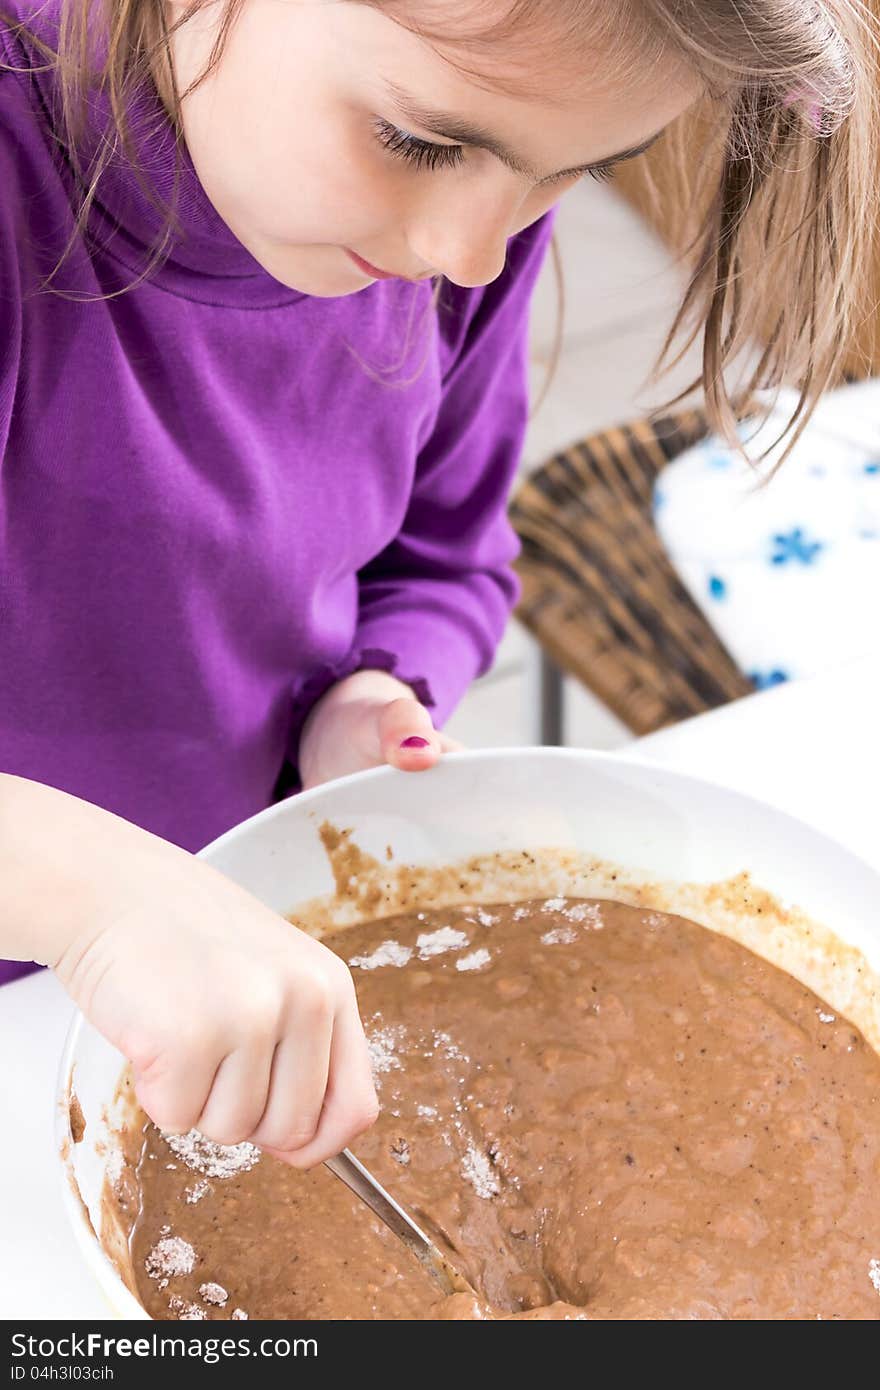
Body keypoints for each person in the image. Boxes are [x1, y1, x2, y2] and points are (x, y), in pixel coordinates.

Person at [1, 0, 874, 1167]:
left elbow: (445, 553)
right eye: (420, 142)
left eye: (576, 171)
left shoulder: (464, 224)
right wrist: (95, 898)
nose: (472, 252)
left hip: (227, 948)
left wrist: (363, 693)